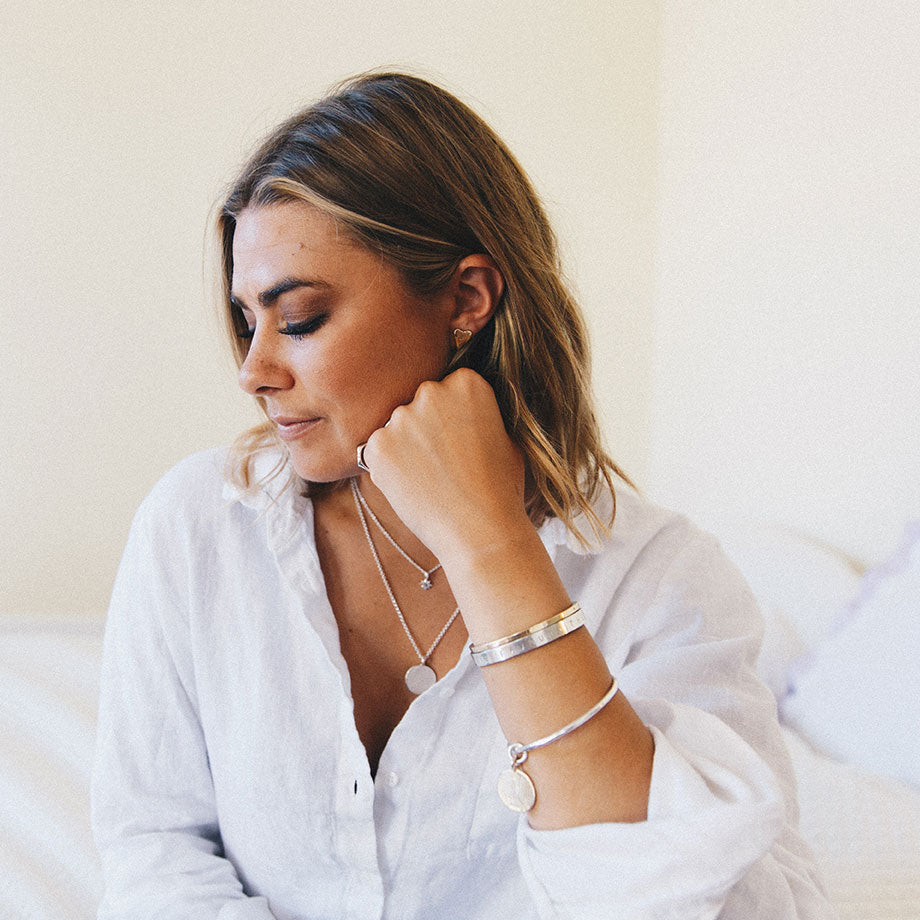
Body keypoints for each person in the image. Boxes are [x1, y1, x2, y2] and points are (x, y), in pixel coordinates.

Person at [91, 72, 835, 919]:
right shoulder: (198, 526)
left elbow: (662, 896)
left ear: (467, 299)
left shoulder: (661, 581)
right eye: (247, 321)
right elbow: (154, 846)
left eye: (298, 320)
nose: (254, 371)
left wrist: (491, 547)